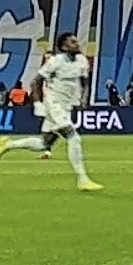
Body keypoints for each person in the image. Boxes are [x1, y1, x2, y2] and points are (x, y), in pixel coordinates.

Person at [31, 34, 102, 191]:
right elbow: (36, 81)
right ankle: (82, 179)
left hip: (65, 106)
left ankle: (8, 144)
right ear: (64, 47)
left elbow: (85, 82)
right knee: (73, 136)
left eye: (77, 41)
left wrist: (84, 98)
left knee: (44, 143)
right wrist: (37, 103)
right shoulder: (55, 61)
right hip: (53, 103)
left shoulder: (82, 61)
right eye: (73, 42)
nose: (77, 44)